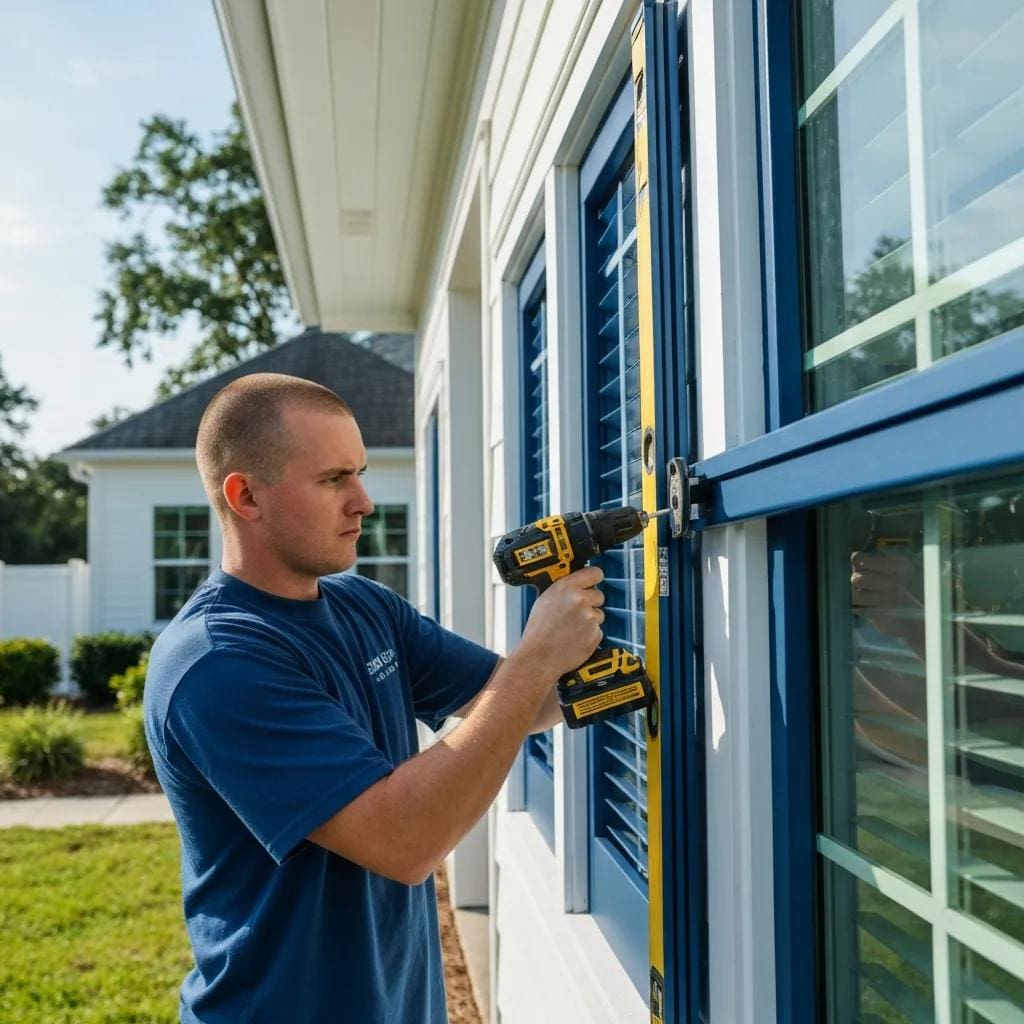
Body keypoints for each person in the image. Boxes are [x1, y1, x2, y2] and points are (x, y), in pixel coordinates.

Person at [144, 372, 605, 1024]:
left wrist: (635, 668)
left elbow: (517, 704)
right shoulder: (217, 661)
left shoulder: (362, 606)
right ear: (246, 495)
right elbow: (406, 842)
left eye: (359, 473)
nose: (364, 501)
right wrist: (536, 659)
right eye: (334, 479)